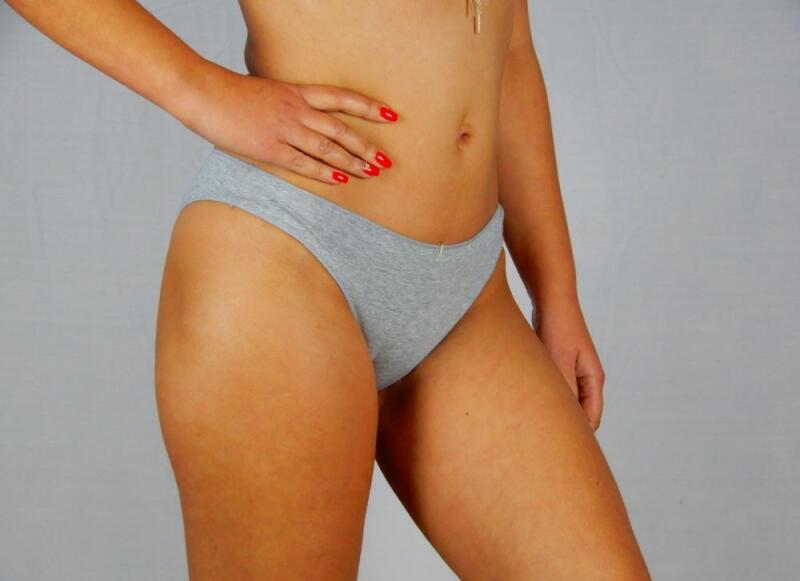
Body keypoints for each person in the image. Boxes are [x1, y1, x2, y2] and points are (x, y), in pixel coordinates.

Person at [7, 0, 651, 578]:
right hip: (288, 255)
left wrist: (557, 291)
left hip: (468, 300)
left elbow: (510, 50)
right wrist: (202, 92)